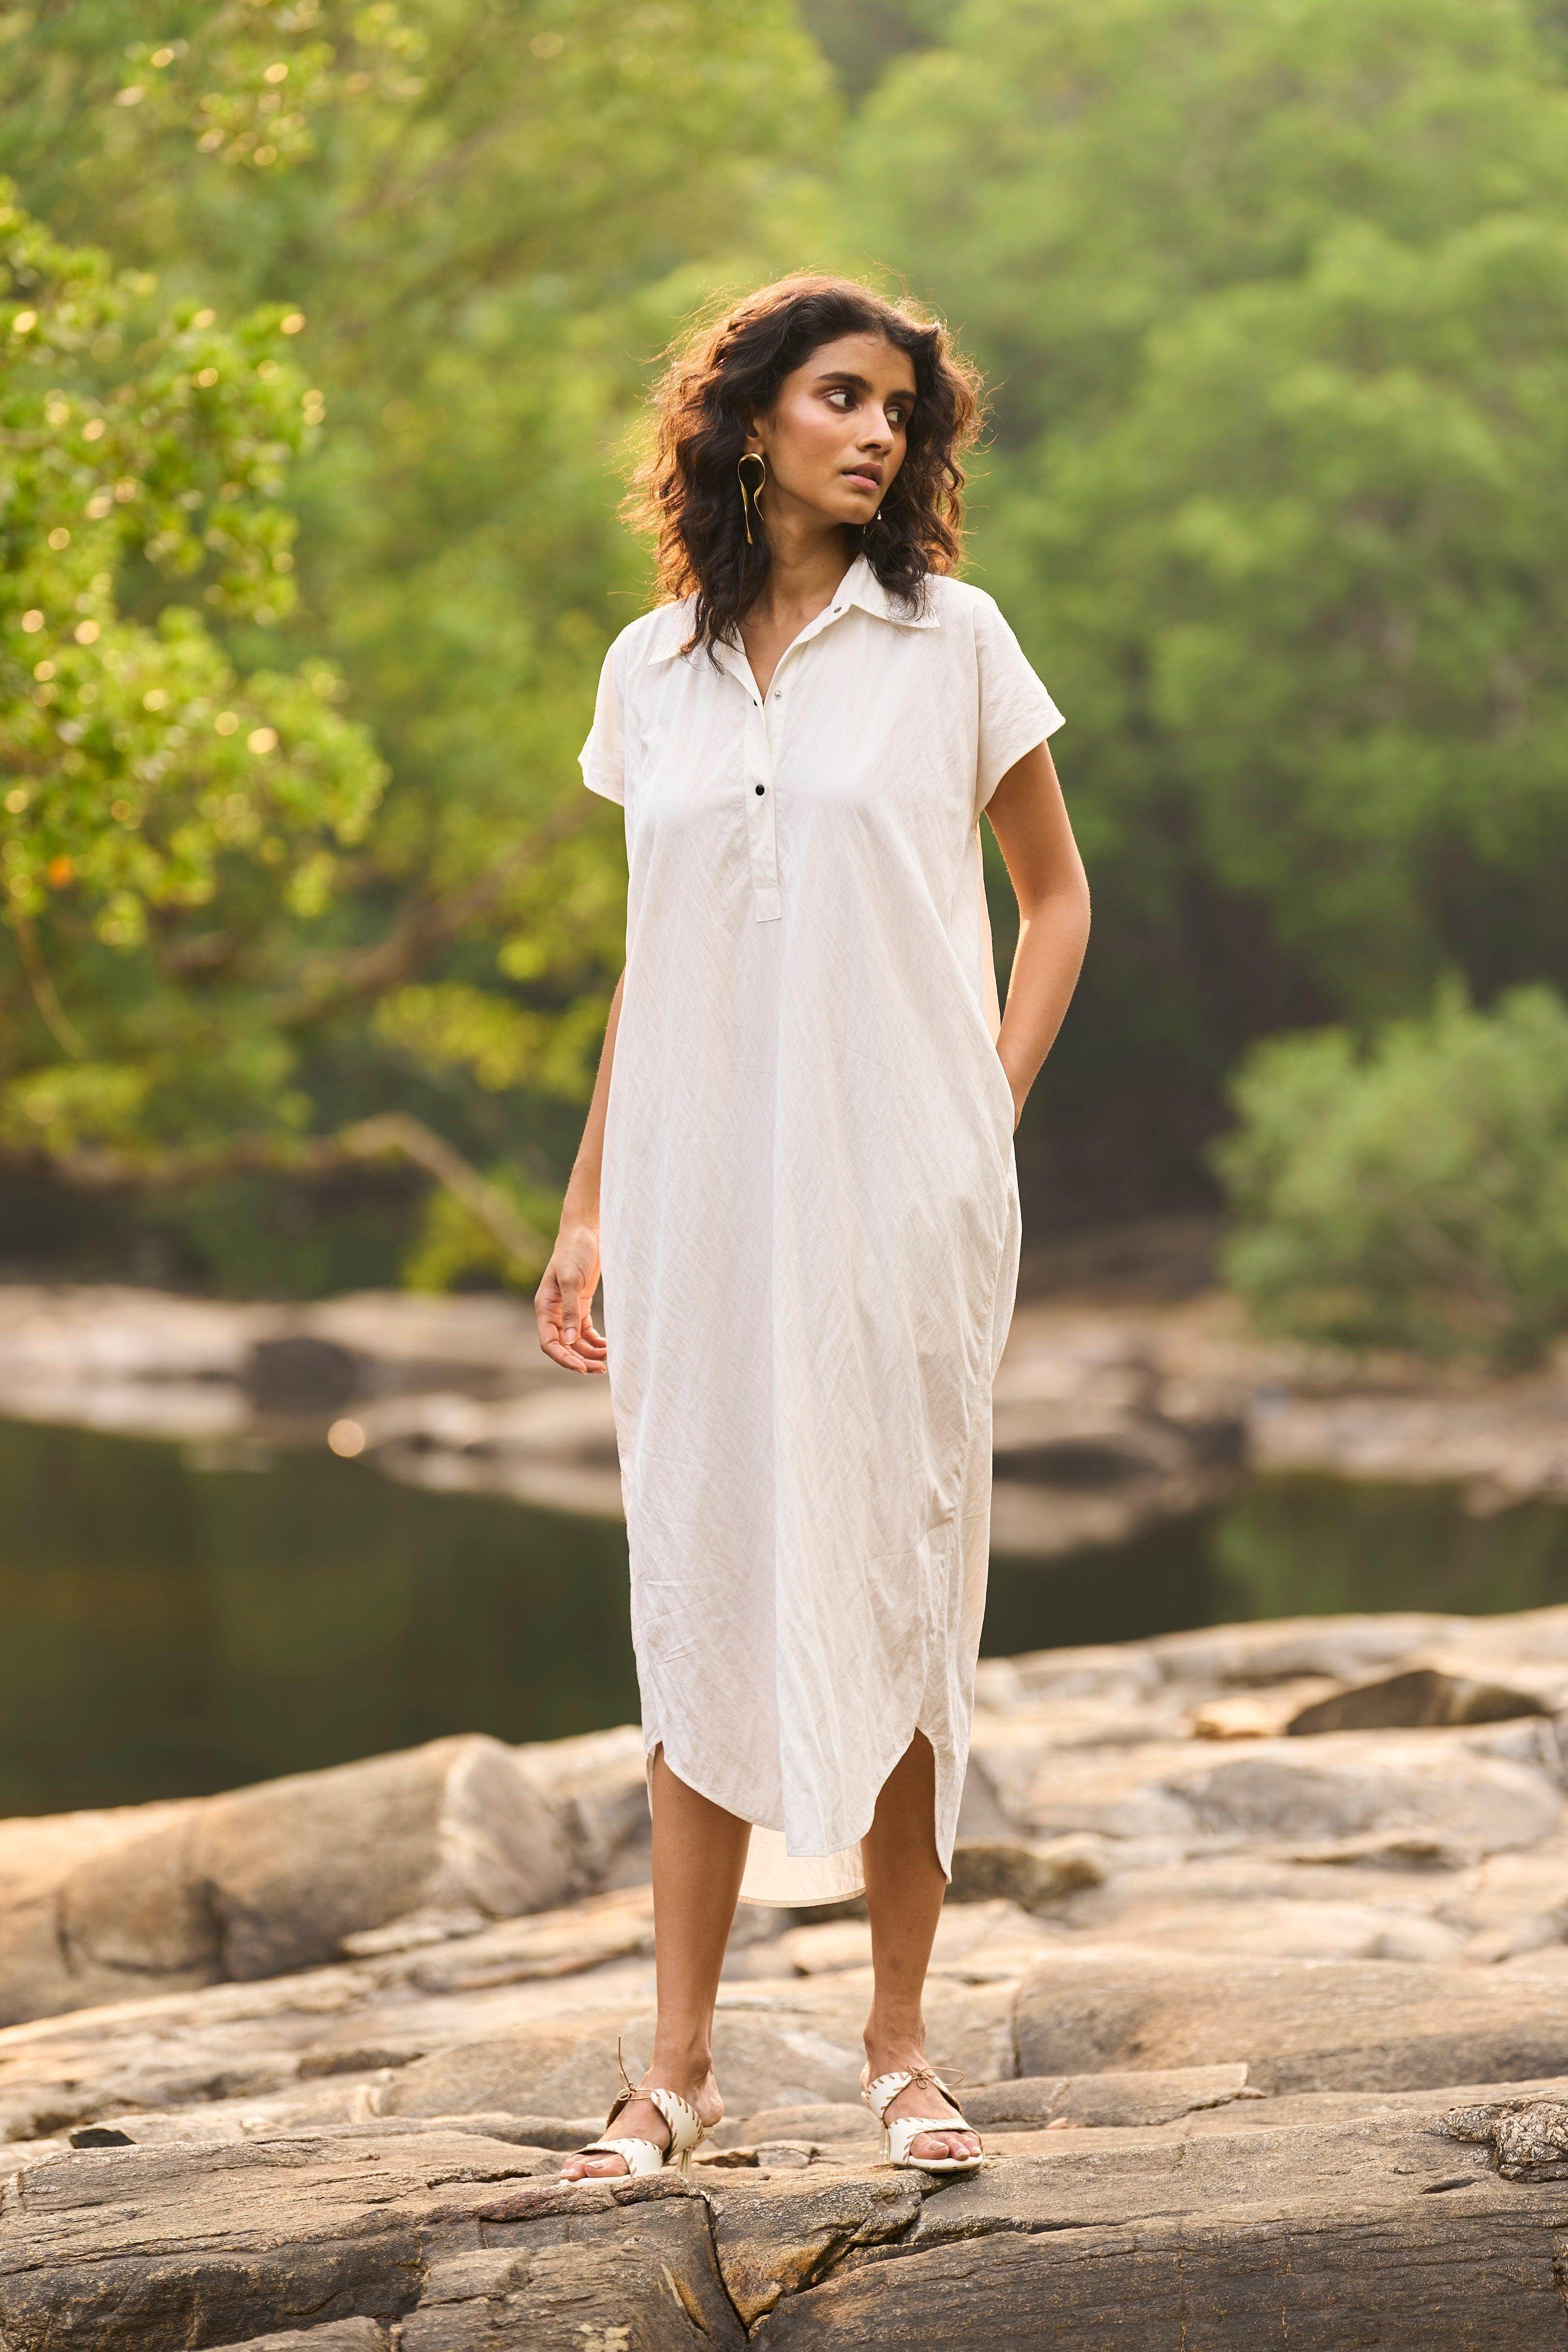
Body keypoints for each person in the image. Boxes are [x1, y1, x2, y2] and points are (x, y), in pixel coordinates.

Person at [535, 273, 1089, 2179]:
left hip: (902, 1195)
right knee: (697, 1574)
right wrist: (589, 1204)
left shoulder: (954, 643)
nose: (877, 434)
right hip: (696, 1190)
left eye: (900, 412)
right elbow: (656, 954)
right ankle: (676, 2068)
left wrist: (976, 1118)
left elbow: (1057, 900)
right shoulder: (649, 671)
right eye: (842, 397)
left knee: (901, 1575)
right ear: (749, 417)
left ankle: (899, 2047)